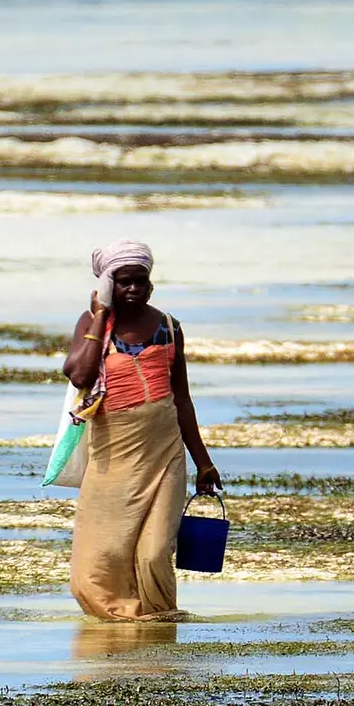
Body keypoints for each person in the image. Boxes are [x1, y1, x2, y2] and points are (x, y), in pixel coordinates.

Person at [61, 239, 222, 621]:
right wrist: (100, 317)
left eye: (141, 281)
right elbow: (80, 375)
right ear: (106, 285)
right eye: (123, 282)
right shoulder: (91, 325)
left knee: (153, 554)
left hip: (163, 452)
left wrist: (204, 463)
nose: (134, 289)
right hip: (113, 454)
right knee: (101, 558)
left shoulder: (168, 326)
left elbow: (182, 399)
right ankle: (123, 622)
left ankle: (158, 621)